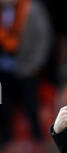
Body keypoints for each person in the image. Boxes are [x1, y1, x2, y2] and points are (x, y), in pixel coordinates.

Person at [0, 0, 52, 145]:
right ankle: (5, 143)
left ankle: (38, 142)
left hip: (26, 68)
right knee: (2, 104)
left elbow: (44, 38)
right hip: (2, 72)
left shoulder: (33, 9)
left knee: (31, 105)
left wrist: (35, 64)